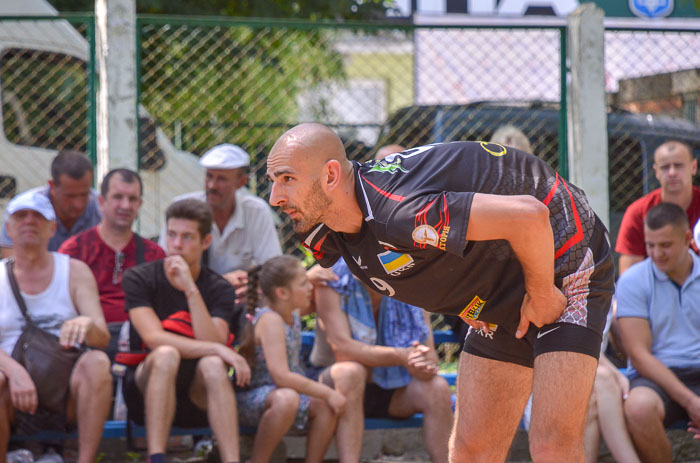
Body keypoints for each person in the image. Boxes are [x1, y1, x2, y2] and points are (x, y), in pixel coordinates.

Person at [266, 123, 615, 462]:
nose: (274, 197)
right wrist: (464, 297)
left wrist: (541, 293)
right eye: (273, 182)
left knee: (552, 448)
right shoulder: (321, 228)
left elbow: (528, 216)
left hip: (562, 257)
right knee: (470, 453)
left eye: (287, 179)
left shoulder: (399, 212)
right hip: (500, 283)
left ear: (330, 176)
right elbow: (408, 261)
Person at [122, 198, 251, 463]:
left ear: (205, 242)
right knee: (167, 353)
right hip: (145, 388)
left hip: (198, 394)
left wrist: (191, 289)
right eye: (171, 235)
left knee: (214, 364)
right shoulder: (139, 278)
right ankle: (155, 457)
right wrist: (217, 348)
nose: (177, 244)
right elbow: (153, 338)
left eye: (187, 237)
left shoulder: (218, 287)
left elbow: (211, 338)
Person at [0, 190, 112, 463]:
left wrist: (87, 323)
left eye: (38, 217)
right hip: (9, 393)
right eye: (21, 216)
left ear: (52, 228)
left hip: (64, 391)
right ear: (8, 228)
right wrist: (14, 371)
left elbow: (102, 337)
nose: (29, 221)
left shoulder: (75, 271)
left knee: (97, 362)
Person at [312, 257, 453, 463]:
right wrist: (401, 356)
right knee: (351, 372)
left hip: (392, 389)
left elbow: (429, 355)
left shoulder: (409, 281)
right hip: (335, 389)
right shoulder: (330, 278)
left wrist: (420, 365)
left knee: (437, 387)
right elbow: (342, 350)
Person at [236, 255, 344, 463]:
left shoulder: (291, 311)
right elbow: (281, 377)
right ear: (282, 293)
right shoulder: (270, 319)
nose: (310, 287)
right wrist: (328, 393)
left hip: (283, 394)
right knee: (288, 398)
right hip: (254, 398)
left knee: (324, 407)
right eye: (304, 283)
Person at [616, 202, 700, 462]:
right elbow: (639, 355)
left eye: (665, 245)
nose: (656, 253)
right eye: (650, 245)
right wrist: (690, 401)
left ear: (687, 238)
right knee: (638, 408)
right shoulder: (632, 281)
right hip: (657, 375)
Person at [58, 169, 165, 355]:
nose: (125, 205)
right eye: (117, 197)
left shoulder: (154, 254)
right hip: (85, 349)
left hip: (141, 348)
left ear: (140, 204)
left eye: (132, 199)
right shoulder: (74, 250)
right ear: (101, 202)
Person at [159, 144, 281, 291]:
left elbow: (273, 267)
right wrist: (222, 282)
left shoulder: (256, 211)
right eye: (209, 176)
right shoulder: (182, 209)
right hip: (189, 292)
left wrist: (251, 284)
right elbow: (165, 265)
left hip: (239, 297)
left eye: (221, 179)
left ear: (241, 182)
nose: (212, 185)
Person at [616, 140, 700, 274]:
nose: (672, 172)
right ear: (656, 171)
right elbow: (629, 275)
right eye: (665, 167)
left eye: (679, 166)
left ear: (694, 167)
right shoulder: (637, 212)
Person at [1, 150, 102, 257]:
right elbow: (12, 262)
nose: (78, 204)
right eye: (70, 196)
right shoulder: (23, 210)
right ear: (52, 185)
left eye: (84, 194)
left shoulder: (103, 208)